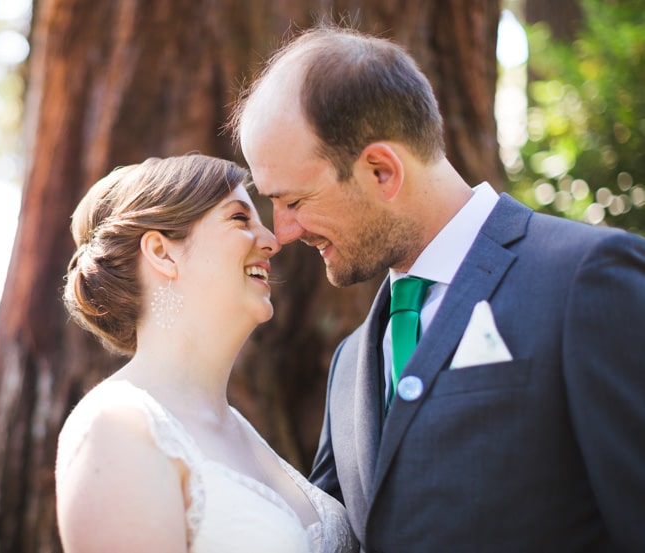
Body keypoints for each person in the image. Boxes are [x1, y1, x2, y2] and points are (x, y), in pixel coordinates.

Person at [232, 25, 645, 553]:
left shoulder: (584, 279)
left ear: (382, 171)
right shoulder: (350, 364)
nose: (282, 232)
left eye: (293, 201)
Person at [54, 154, 358, 553]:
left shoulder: (241, 430)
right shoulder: (116, 427)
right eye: (239, 218)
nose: (271, 240)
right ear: (162, 253)